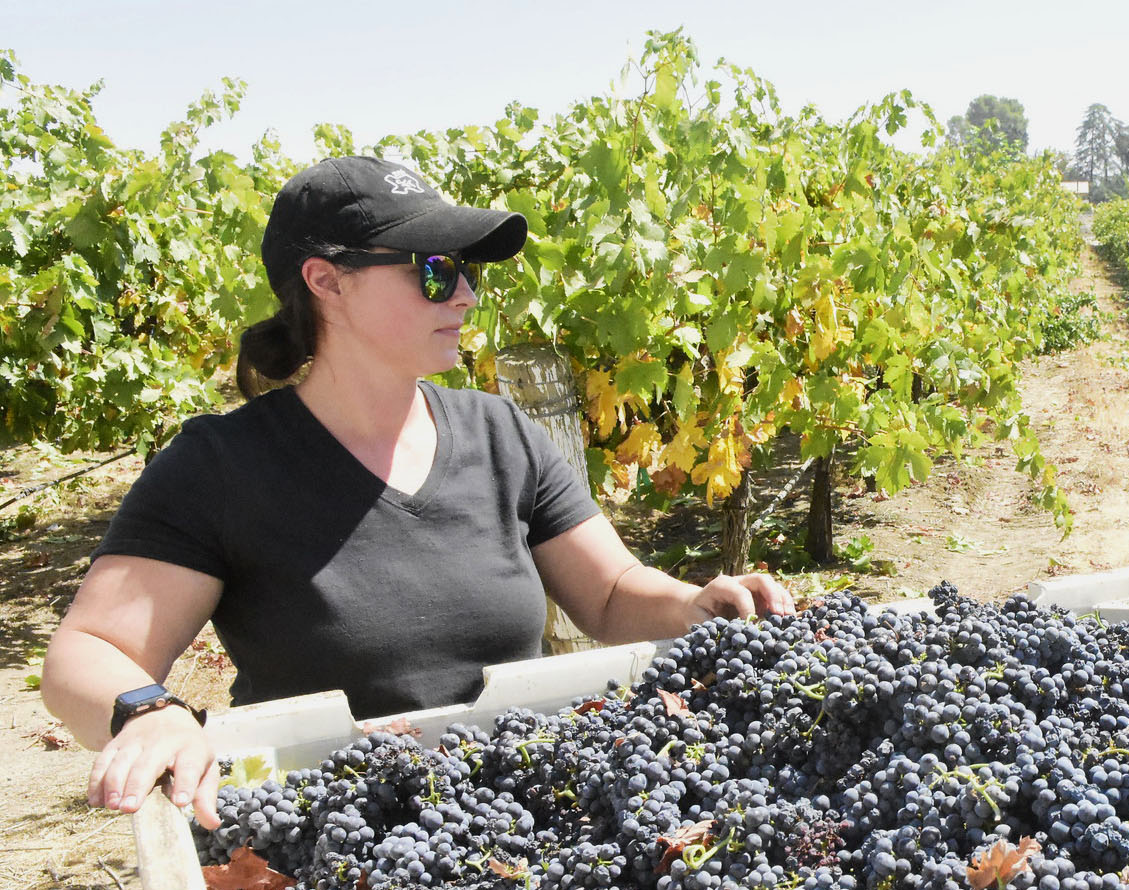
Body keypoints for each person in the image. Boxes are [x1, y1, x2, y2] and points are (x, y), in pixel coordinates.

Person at [41, 157, 794, 829]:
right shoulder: (222, 467)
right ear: (326, 281)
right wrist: (149, 713)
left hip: (508, 813)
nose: (465, 294)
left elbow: (610, 595)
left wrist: (694, 606)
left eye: (468, 270)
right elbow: (88, 650)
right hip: (327, 827)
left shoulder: (502, 434)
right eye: (435, 269)